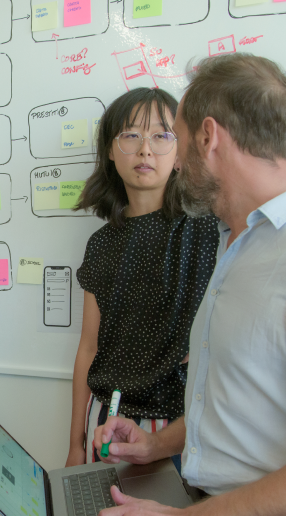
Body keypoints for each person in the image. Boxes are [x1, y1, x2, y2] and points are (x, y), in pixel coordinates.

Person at [92, 53, 286, 516]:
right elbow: (232, 403)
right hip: (205, 506)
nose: (166, 156)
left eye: (174, 134)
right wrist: (155, 446)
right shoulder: (233, 240)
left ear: (208, 137)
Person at [65, 88, 218, 469]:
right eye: (131, 135)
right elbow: (88, 347)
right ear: (111, 151)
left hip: (177, 430)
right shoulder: (100, 244)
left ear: (181, 151)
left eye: (162, 136)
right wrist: (74, 444)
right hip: (106, 422)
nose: (145, 150)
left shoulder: (207, 230)